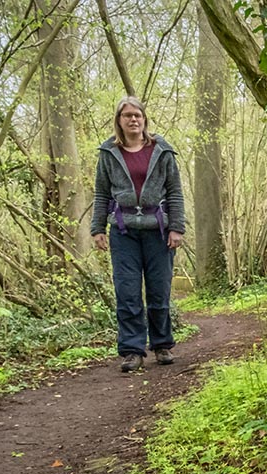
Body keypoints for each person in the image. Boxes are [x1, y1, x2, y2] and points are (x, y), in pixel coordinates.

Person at [90, 96, 186, 372]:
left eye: (137, 115)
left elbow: (175, 192)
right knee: (127, 291)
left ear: (144, 119)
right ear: (119, 121)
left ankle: (162, 345)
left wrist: (177, 227)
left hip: (158, 231)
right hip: (124, 232)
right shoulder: (109, 153)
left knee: (159, 290)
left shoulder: (162, 151)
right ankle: (132, 351)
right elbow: (101, 193)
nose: (133, 119)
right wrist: (98, 228)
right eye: (127, 115)